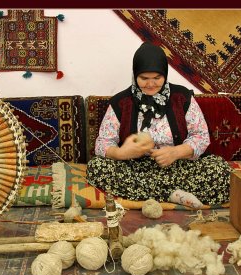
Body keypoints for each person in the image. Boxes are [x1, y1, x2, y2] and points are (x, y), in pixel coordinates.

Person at [86, 42, 231, 208]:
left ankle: (155, 195)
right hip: (135, 169)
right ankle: (174, 194)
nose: (150, 84)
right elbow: (103, 142)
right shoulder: (121, 102)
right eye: (144, 78)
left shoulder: (182, 97)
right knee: (97, 168)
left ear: (165, 75)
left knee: (220, 170)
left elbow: (201, 136)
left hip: (179, 166)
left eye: (157, 78)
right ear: (135, 75)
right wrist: (120, 153)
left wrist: (175, 152)